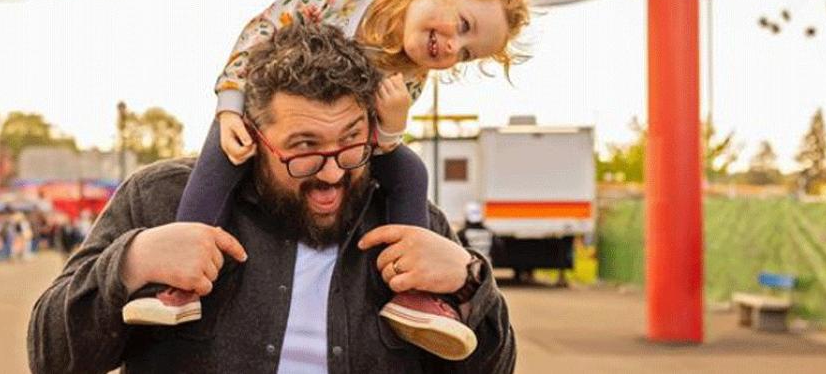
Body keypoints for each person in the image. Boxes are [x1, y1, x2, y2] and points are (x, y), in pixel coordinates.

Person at [29, 24, 516, 371]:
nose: (331, 173)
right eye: (304, 150)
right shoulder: (161, 201)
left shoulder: (411, 222)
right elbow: (51, 357)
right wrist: (130, 264)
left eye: (351, 144)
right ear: (250, 139)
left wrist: (470, 282)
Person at [130, 0, 529, 359]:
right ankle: (176, 280)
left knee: (411, 172)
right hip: (269, 116)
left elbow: (373, 146)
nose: (452, 49)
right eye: (462, 25)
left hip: (348, 146)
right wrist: (229, 107)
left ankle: (415, 293)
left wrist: (392, 126)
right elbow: (257, 36)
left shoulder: (412, 74)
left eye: (466, 53)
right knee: (223, 153)